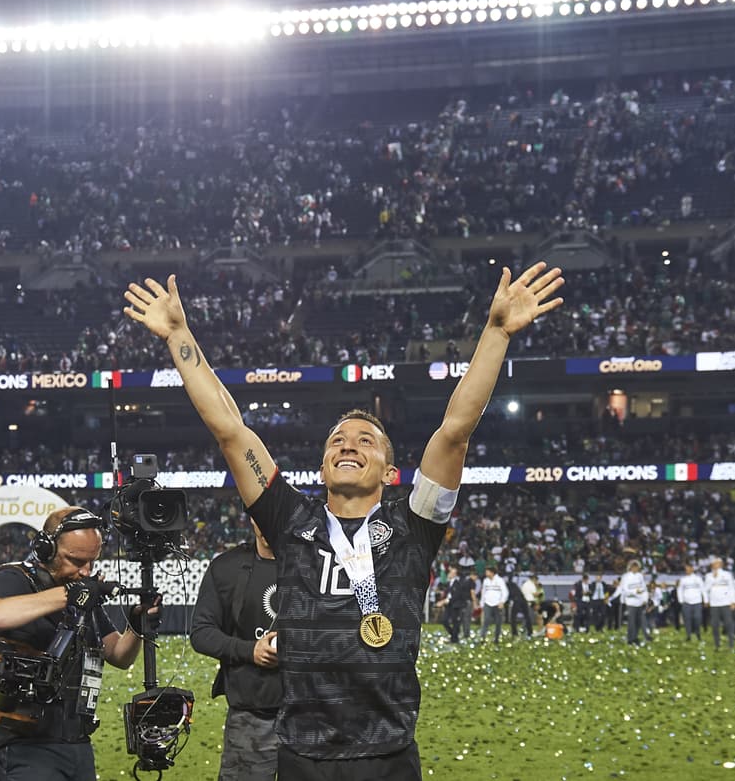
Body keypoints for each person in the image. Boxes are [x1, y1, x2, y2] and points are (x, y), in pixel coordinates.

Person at [122, 262, 564, 779]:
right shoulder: (291, 520)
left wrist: (494, 333)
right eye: (337, 440)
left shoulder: (414, 524)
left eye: (365, 440)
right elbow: (230, 431)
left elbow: (454, 431)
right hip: (302, 754)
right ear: (324, 464)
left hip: (388, 754)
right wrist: (179, 335)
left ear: (391, 470)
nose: (348, 444)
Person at [0, 506, 156, 781]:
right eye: (75, 561)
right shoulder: (13, 578)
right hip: (24, 743)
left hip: (76, 739)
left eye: (92, 561)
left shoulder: (83, 592)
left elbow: (120, 655)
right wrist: (71, 595)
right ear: (45, 549)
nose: (86, 571)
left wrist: (137, 624)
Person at [190, 521, 282, 781]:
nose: (266, 519)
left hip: (309, 715)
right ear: (251, 517)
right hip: (250, 714)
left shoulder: (317, 564)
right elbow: (201, 633)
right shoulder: (227, 567)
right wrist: (250, 650)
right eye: (259, 512)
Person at [608, 560, 648, 646]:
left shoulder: (640, 576)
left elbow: (644, 588)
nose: (636, 569)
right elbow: (625, 589)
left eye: (637, 567)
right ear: (631, 567)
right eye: (634, 567)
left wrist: (645, 598)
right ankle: (631, 639)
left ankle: (636, 637)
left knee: (638, 621)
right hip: (630, 602)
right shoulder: (625, 577)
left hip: (639, 602)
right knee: (631, 621)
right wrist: (635, 592)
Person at [436, 565, 474, 643]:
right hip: (449, 605)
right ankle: (454, 634)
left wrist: (444, 601)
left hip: (456, 605)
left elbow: (455, 596)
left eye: (451, 572)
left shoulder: (458, 583)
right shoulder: (449, 583)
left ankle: (454, 639)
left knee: (455, 622)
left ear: (454, 574)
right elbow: (448, 594)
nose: (449, 574)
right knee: (444, 620)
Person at [704, 558, 735, 650]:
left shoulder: (727, 575)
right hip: (714, 603)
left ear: (721, 564)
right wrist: (706, 600)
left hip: (725, 602)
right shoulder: (709, 576)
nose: (715, 565)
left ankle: (731, 643)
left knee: (728, 623)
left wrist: (733, 601)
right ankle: (717, 643)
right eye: (714, 564)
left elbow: (731, 588)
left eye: (717, 563)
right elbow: (705, 589)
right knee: (715, 625)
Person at [479, 566, 509, 644]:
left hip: (497, 604)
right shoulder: (485, 581)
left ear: (492, 572)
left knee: (498, 622)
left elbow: (505, 592)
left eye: (487, 571)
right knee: (486, 621)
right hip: (488, 603)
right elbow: (483, 592)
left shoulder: (500, 580)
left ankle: (496, 639)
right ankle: (482, 638)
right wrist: (482, 602)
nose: (486, 573)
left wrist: (502, 601)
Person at [676, 564, 705, 641]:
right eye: (686, 569)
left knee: (697, 618)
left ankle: (697, 633)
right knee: (687, 619)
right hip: (686, 602)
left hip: (697, 602)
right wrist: (681, 600)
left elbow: (703, 589)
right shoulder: (683, 579)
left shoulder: (698, 579)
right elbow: (680, 590)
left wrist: (705, 600)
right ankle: (688, 635)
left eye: (688, 569)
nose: (687, 570)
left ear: (692, 569)